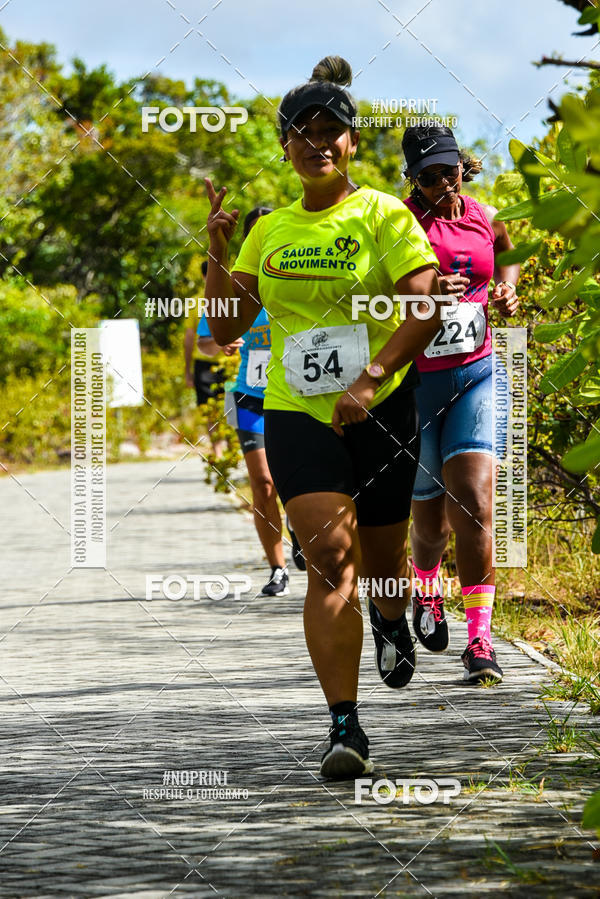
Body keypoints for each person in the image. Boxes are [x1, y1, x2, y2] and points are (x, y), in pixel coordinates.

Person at [204, 56, 442, 780]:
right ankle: (345, 725)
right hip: (297, 413)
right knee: (330, 561)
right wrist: (217, 253)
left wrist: (371, 378)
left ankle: (392, 618)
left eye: (330, 131)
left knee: (382, 559)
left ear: (351, 143)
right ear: (285, 148)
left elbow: (425, 306)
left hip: (382, 406)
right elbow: (222, 327)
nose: (317, 143)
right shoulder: (269, 229)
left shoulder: (381, 214)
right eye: (302, 133)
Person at [401, 124, 520, 683]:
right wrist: (423, 295)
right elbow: (371, 292)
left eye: (448, 171)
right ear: (411, 179)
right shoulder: (398, 223)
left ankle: (480, 643)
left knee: (472, 503)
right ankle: (426, 591)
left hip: (475, 372)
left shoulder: (482, 212)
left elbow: (506, 250)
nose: (441, 183)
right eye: (428, 176)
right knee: (429, 524)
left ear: (460, 166)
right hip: (416, 384)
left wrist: (507, 288)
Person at [198, 206, 291, 597]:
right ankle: (277, 568)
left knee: (293, 482)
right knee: (264, 483)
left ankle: (303, 534)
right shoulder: (236, 287)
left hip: (294, 396)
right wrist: (222, 343)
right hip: (249, 397)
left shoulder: (295, 278)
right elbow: (206, 341)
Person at [184, 260, 227, 458]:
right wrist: (187, 370)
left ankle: (225, 447)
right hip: (206, 363)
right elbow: (190, 338)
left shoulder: (229, 298)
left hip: (228, 362)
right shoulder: (196, 303)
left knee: (221, 407)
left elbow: (189, 338)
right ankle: (219, 449)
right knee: (211, 409)